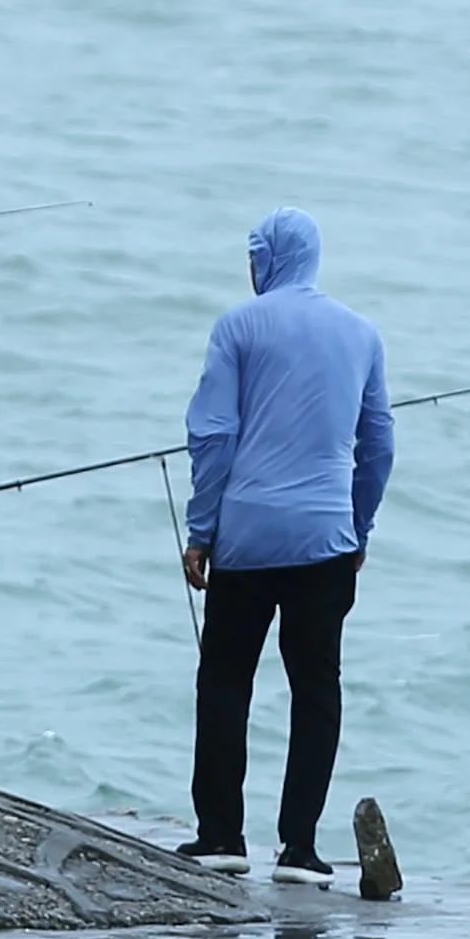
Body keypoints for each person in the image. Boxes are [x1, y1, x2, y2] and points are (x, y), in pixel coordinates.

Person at [182, 207, 395, 877]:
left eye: (253, 256)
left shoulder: (237, 327)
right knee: (315, 687)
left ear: (266, 258)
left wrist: (201, 530)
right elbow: (378, 444)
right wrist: (357, 529)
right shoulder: (361, 334)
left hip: (245, 538)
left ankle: (220, 837)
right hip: (324, 541)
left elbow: (212, 434)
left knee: (224, 681)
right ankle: (299, 847)